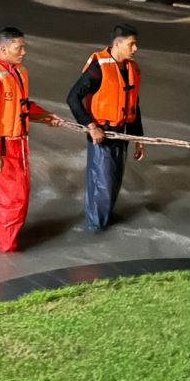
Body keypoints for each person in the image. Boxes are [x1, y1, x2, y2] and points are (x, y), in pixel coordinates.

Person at [0, 27, 62, 253]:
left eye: (24, 47)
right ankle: (7, 248)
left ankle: (10, 242)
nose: (24, 52)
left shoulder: (17, 71)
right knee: (9, 198)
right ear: (3, 49)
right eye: (19, 47)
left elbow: (22, 106)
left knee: (19, 194)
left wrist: (45, 116)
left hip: (17, 142)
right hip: (1, 145)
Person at [66, 24, 146, 232]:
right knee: (103, 184)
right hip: (102, 135)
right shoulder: (98, 68)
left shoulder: (131, 69)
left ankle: (101, 225)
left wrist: (139, 139)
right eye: (132, 44)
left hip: (122, 133)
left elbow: (133, 106)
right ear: (118, 44)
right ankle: (95, 230)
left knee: (113, 183)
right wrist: (91, 126)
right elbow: (73, 98)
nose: (135, 49)